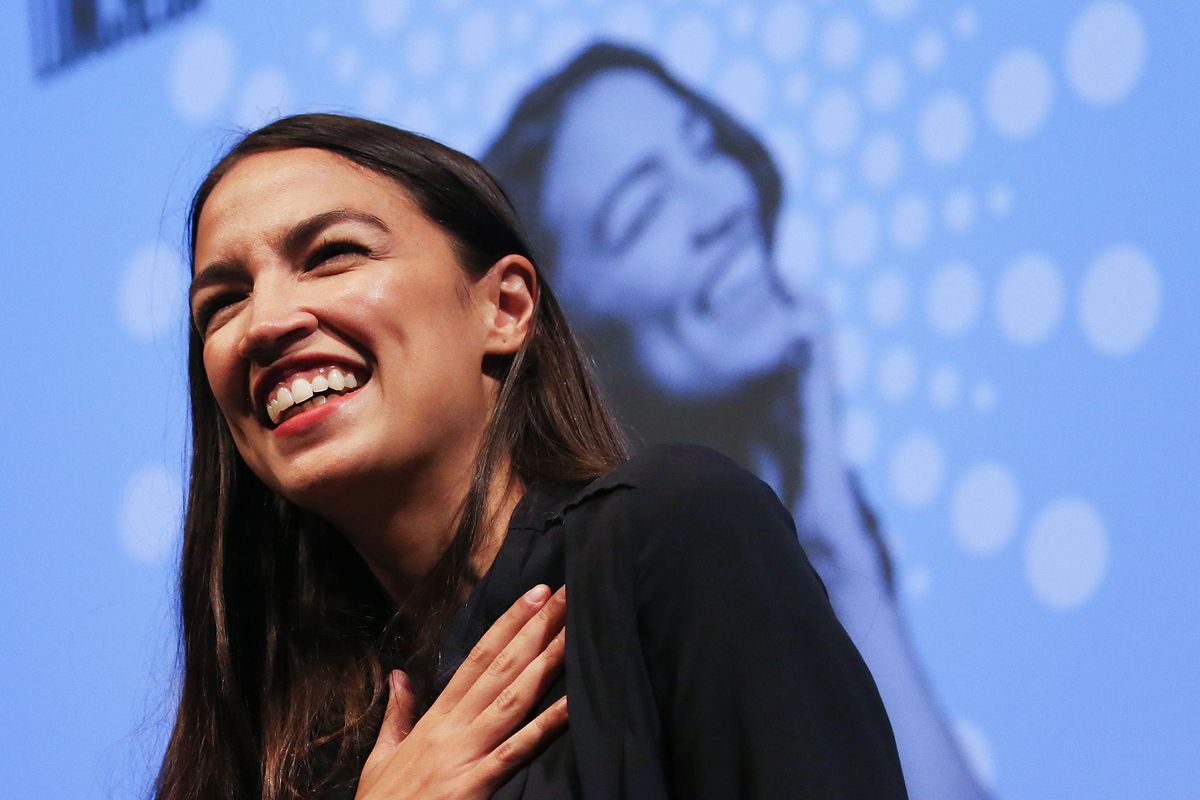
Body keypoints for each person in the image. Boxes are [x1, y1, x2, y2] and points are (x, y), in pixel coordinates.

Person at [155, 112, 907, 799]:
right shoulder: (255, 753)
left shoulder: (676, 534)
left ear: (505, 308)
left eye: (332, 254)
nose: (264, 323)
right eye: (222, 302)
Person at [484, 43, 988, 799]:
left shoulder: (811, 525)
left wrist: (839, 548)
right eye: (642, 212)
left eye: (703, 148)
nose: (720, 204)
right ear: (556, 326)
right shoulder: (553, 622)